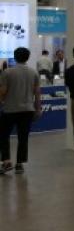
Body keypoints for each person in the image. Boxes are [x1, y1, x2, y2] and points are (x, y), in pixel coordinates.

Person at [0, 47, 41, 175]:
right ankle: (19, 164)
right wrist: (38, 109)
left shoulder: (7, 72)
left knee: (3, 135)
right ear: (27, 58)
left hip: (9, 109)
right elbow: (37, 93)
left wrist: (2, 100)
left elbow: (3, 91)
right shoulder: (34, 73)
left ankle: (6, 161)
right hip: (27, 110)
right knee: (23, 137)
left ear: (15, 57)